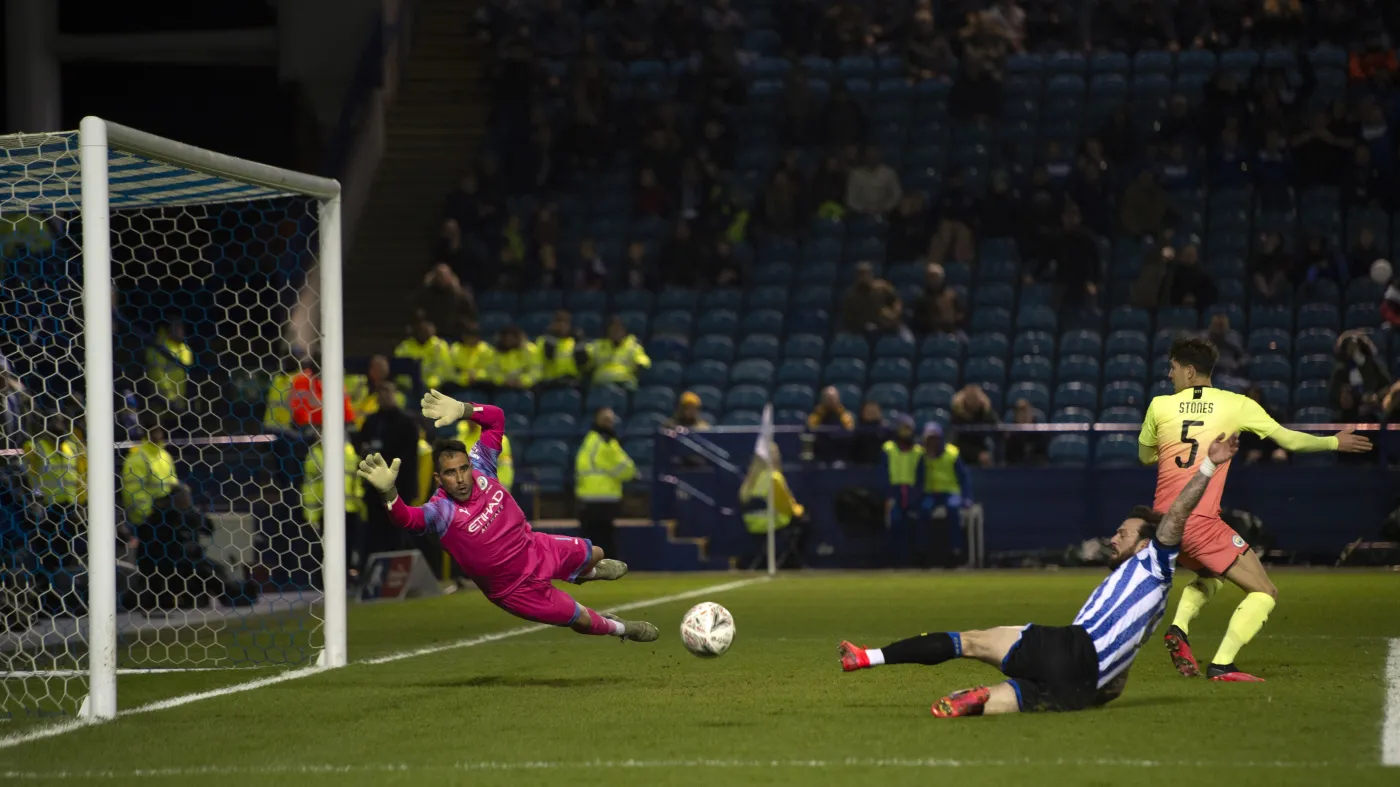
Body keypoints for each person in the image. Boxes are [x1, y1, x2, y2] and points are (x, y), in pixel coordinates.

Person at [838, 433, 1240, 717]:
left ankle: (867, 657)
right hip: (1087, 685)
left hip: (1067, 646)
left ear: (1144, 542)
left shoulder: (1155, 561)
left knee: (972, 642)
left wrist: (1208, 464)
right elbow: (1120, 673)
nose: (1113, 538)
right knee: (1022, 695)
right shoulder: (1147, 594)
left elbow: (1176, 517)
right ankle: (978, 700)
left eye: (1123, 533)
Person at [1140, 339, 1372, 681]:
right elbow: (1289, 440)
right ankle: (1222, 665)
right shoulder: (1236, 404)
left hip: (1164, 524)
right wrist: (1334, 441)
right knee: (1265, 592)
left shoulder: (1159, 406)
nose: (1170, 374)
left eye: (1173, 368)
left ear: (1189, 372)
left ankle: (1179, 627)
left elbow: (1146, 457)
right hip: (1199, 521)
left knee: (1212, 575)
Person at [358, 391, 658, 642]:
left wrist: (463, 409)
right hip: (514, 590)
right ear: (439, 479)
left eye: (463, 468)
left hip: (536, 548)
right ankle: (622, 628)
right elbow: (407, 519)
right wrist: (389, 494)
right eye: (451, 473)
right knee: (579, 619)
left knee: (598, 553)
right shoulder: (440, 511)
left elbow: (496, 418)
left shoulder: (482, 467)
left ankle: (584, 573)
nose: (461, 478)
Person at [355, 382, 421, 571]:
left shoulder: (407, 423)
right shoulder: (371, 422)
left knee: (398, 530)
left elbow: (408, 458)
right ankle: (375, 573)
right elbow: (362, 448)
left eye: (387, 394)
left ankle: (398, 573)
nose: (384, 398)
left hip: (399, 487)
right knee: (375, 530)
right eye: (380, 394)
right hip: (374, 487)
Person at [574, 407, 636, 559]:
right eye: (606, 419)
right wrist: (633, 472)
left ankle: (586, 568)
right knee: (604, 537)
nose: (610, 422)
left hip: (589, 496)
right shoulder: (605, 442)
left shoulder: (591, 439)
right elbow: (626, 469)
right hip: (603, 495)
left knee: (591, 537)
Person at [738, 442, 806, 569]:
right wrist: (800, 510)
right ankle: (792, 561)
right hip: (770, 522)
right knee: (804, 520)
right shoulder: (774, 478)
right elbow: (788, 507)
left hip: (751, 523)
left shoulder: (750, 479)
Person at [917, 422, 972, 568]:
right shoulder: (923, 456)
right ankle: (924, 553)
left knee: (953, 510)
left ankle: (956, 551)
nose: (931, 443)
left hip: (950, 492)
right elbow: (919, 479)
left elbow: (964, 478)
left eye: (934, 439)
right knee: (923, 510)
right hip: (931, 493)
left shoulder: (952, 454)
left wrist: (966, 498)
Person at [882, 415, 924, 567]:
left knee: (914, 526)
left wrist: (917, 495)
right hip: (894, 492)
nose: (906, 432)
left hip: (913, 493)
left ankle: (914, 562)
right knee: (895, 524)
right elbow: (883, 473)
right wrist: (888, 496)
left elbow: (921, 477)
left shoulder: (919, 452)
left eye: (909, 429)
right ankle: (894, 562)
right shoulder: (888, 449)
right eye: (903, 428)